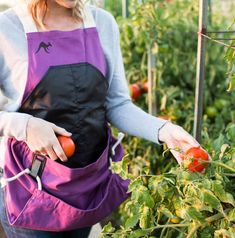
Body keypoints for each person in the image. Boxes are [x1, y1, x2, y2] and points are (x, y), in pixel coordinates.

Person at [0, 0, 200, 237]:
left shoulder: (102, 23)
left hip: (87, 187)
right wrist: (25, 125)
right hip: (31, 191)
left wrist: (165, 131)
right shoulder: (6, 29)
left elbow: (117, 104)